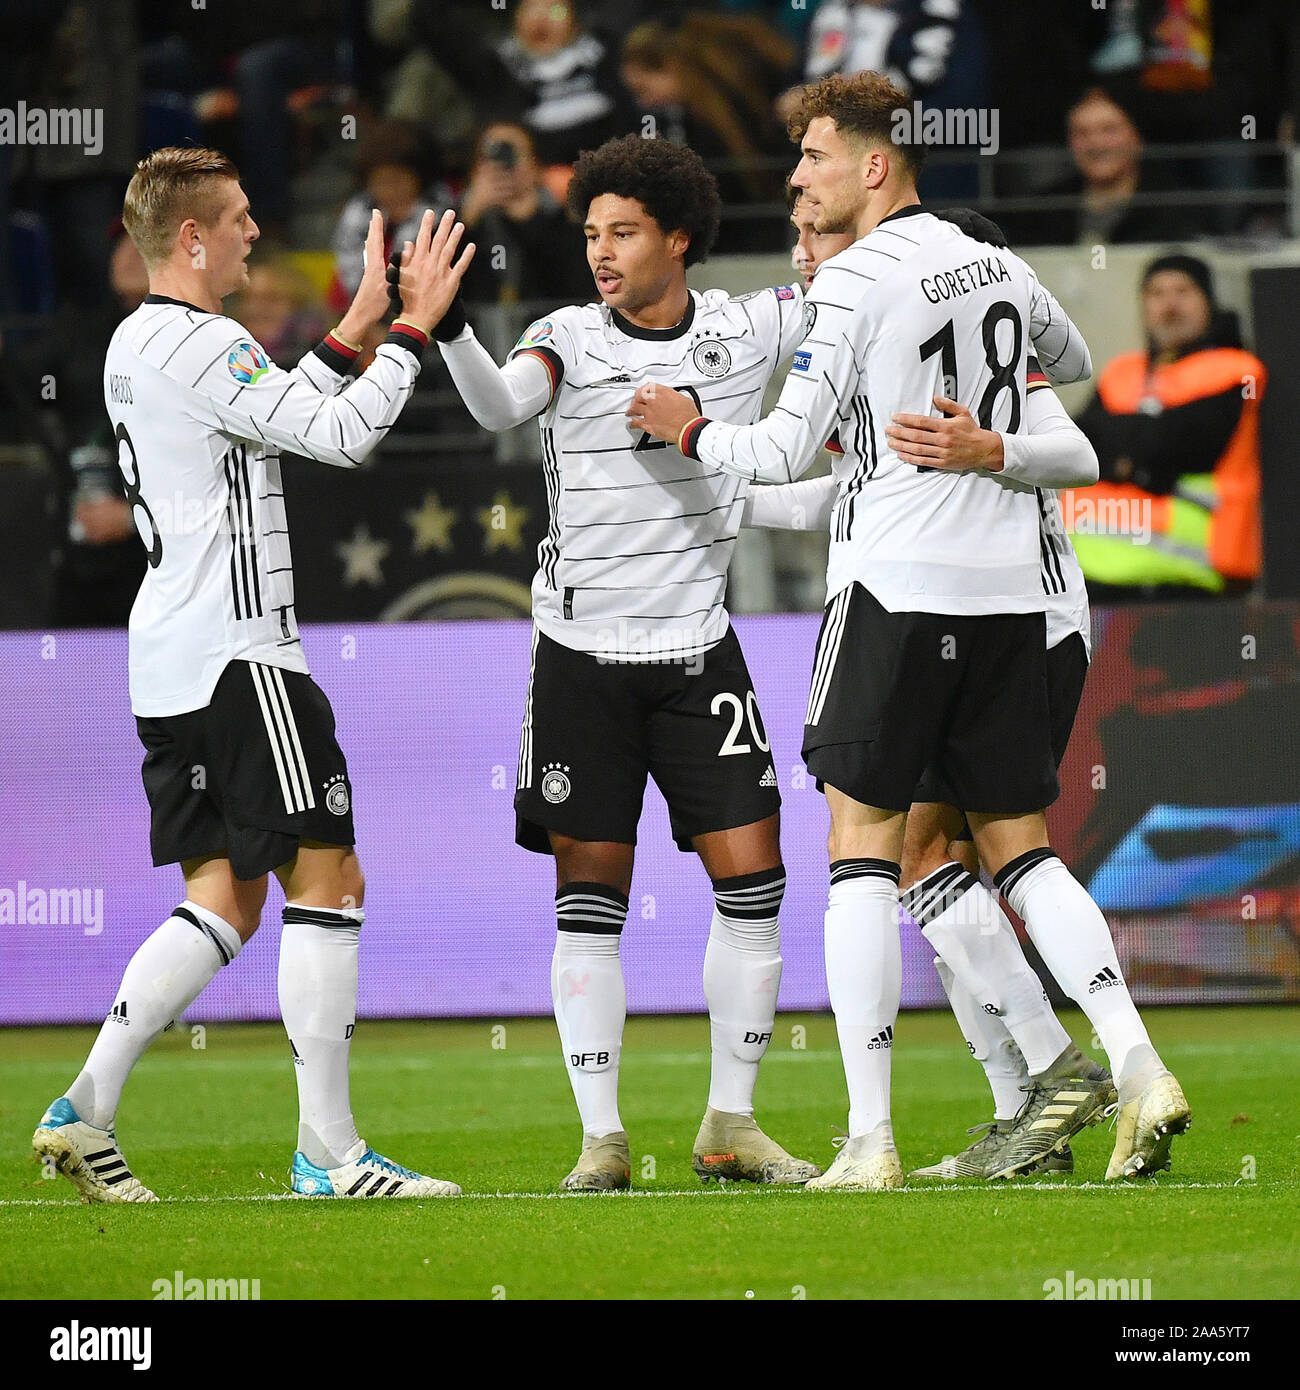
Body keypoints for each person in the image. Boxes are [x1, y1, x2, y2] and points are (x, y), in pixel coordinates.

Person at [631, 72, 1190, 1189]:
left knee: (862, 849)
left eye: (813, 164)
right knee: (1010, 846)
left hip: (901, 594)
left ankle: (872, 1137)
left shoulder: (860, 283)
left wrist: (689, 432)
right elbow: (1072, 365)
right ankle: (1120, 1069)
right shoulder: (991, 265)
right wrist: (983, 426)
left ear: (874, 166)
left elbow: (780, 451)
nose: (797, 190)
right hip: (1000, 604)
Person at [33, 146, 467, 1202]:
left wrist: (355, 326)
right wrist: (415, 331)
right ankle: (330, 1152)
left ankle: (84, 1107)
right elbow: (339, 437)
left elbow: (261, 414)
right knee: (331, 879)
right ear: (192, 238)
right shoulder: (205, 340)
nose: (255, 234)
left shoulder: (139, 342)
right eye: (237, 219)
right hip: (243, 657)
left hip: (168, 662)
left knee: (222, 899)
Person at [422, 133, 819, 1192]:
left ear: (678, 238)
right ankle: (602, 1139)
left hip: (699, 654)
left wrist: (843, 220)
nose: (601, 251)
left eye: (624, 232)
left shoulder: (746, 328)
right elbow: (498, 404)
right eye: (592, 233)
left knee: (757, 887)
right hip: (582, 662)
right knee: (590, 902)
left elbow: (845, 290)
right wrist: (448, 326)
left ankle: (730, 1124)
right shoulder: (565, 337)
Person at [753, 197, 1114, 1181]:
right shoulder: (885, 341)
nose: (806, 253)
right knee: (932, 855)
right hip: (971, 609)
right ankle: (1032, 1099)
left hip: (998, 614)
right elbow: (842, 486)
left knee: (937, 849)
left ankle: (1066, 1072)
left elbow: (1075, 443)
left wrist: (702, 444)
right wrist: (733, 500)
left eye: (822, 231)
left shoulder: (919, 332)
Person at [1063, 253, 1265, 600]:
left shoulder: (1235, 370)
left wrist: (1120, 450)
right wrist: (1137, 458)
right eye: (1157, 294)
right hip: (1091, 581)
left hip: (1185, 581)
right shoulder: (1120, 373)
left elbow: (1179, 444)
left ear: (1208, 302)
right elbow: (1075, 443)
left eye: (1183, 291)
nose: (1170, 305)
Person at [457, 123, 592, 307]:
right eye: (492, 155)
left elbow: (577, 294)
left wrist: (533, 224)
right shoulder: (457, 224)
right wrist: (465, 224)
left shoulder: (563, 224)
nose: (503, 166)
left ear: (536, 167)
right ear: (475, 169)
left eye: (512, 154)